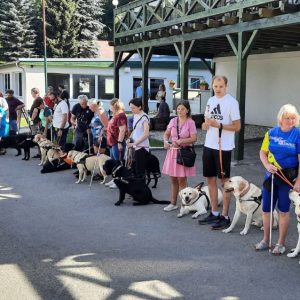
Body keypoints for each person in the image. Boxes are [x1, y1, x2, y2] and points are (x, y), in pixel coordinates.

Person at [255, 104, 300, 255]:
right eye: (288, 118)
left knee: (284, 210)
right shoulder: (271, 133)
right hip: (271, 176)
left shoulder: (298, 134)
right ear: (281, 118)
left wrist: (299, 181)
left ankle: (280, 243)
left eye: (293, 117)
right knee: (266, 209)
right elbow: (262, 153)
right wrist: (267, 165)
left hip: (288, 178)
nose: (291, 120)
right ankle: (265, 240)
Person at [198, 75, 241, 229]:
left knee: (225, 182)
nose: (217, 89)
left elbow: (237, 127)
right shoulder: (210, 101)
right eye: (215, 86)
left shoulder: (232, 102)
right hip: (209, 144)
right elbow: (207, 120)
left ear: (226, 86)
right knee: (210, 179)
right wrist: (205, 125)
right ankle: (214, 212)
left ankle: (225, 215)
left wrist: (219, 125)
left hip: (224, 147)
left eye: (220, 86)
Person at [162, 100, 197, 211]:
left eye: (182, 109)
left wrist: (181, 141)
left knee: (182, 179)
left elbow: (194, 138)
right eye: (178, 109)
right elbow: (166, 134)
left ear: (187, 110)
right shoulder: (173, 121)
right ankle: (173, 203)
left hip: (183, 153)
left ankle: (184, 205)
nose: (180, 111)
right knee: (173, 179)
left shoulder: (190, 122)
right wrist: (165, 141)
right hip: (172, 152)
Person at [106, 98, 127, 188]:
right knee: (114, 162)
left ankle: (119, 180)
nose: (109, 107)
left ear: (115, 106)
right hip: (112, 142)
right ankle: (115, 179)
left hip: (117, 142)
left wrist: (119, 142)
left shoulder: (121, 116)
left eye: (110, 106)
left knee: (118, 162)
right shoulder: (116, 115)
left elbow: (122, 130)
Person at [126, 97, 150, 178]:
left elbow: (146, 134)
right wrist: (129, 138)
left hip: (142, 147)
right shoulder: (136, 115)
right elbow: (135, 130)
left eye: (133, 108)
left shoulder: (144, 117)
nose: (132, 109)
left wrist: (134, 143)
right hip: (135, 146)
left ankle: (141, 188)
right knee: (134, 169)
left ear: (139, 107)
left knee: (140, 171)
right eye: (130, 108)